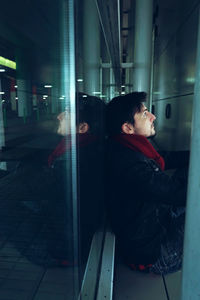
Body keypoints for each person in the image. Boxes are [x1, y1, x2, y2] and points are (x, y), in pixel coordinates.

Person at [106, 91, 188, 275]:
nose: (153, 116)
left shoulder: (125, 147)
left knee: (188, 169)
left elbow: (166, 159)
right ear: (128, 128)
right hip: (151, 256)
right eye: (144, 114)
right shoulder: (129, 166)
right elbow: (178, 194)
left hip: (153, 226)